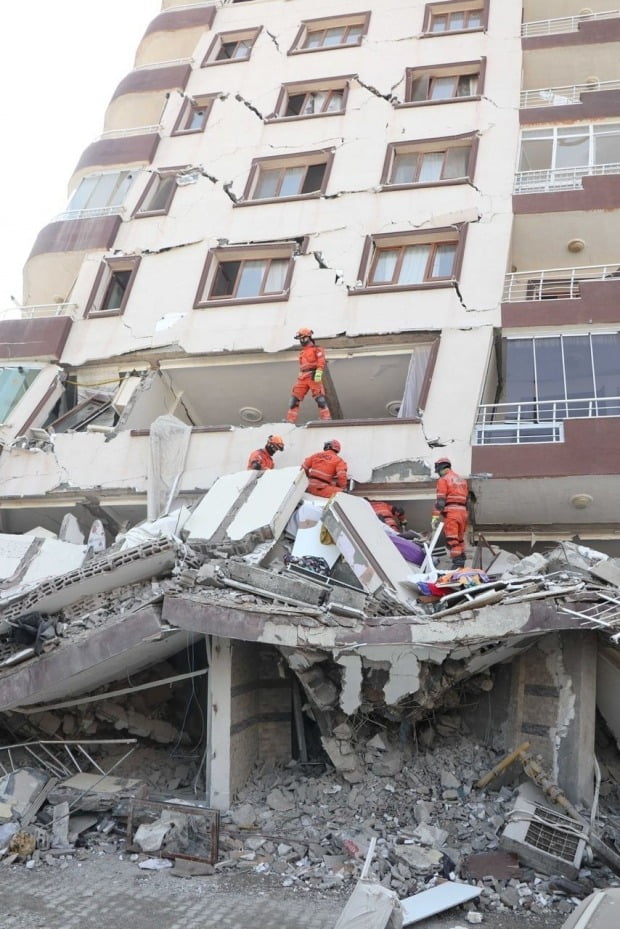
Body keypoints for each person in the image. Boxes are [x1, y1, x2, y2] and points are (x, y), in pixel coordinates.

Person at [286, 328, 331, 423]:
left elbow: (321, 362)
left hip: (313, 375)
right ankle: (290, 420)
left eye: (303, 338)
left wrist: (318, 373)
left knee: (320, 399)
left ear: (309, 337)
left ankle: (326, 418)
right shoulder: (302, 352)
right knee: (294, 399)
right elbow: (302, 366)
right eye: (300, 339)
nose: (301, 341)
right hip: (303, 377)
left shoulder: (317, 349)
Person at [431, 458, 469, 569]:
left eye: (438, 471)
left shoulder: (444, 480)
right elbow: (466, 500)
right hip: (463, 513)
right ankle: (462, 561)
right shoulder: (462, 480)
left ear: (441, 468)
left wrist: (435, 516)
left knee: (452, 540)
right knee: (460, 540)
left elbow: (441, 501)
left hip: (452, 513)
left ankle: (457, 565)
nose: (438, 473)